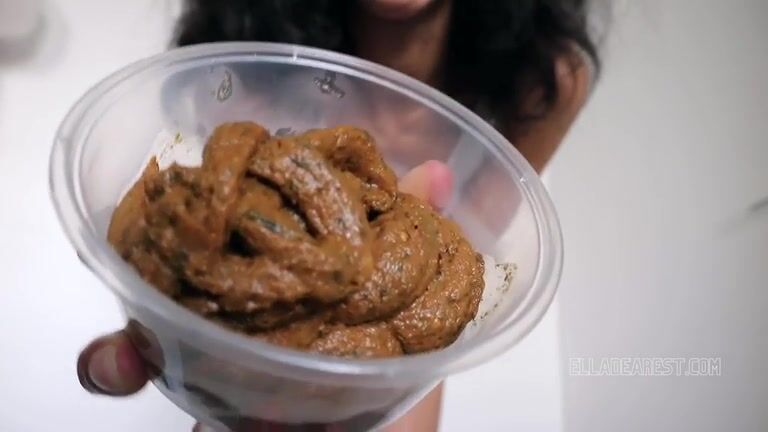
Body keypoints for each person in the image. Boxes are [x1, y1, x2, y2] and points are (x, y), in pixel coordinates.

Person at [77, 0, 598, 430]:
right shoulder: (244, 43)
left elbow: (468, 258)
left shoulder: (545, 81)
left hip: (399, 355)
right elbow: (218, 216)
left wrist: (385, 382)